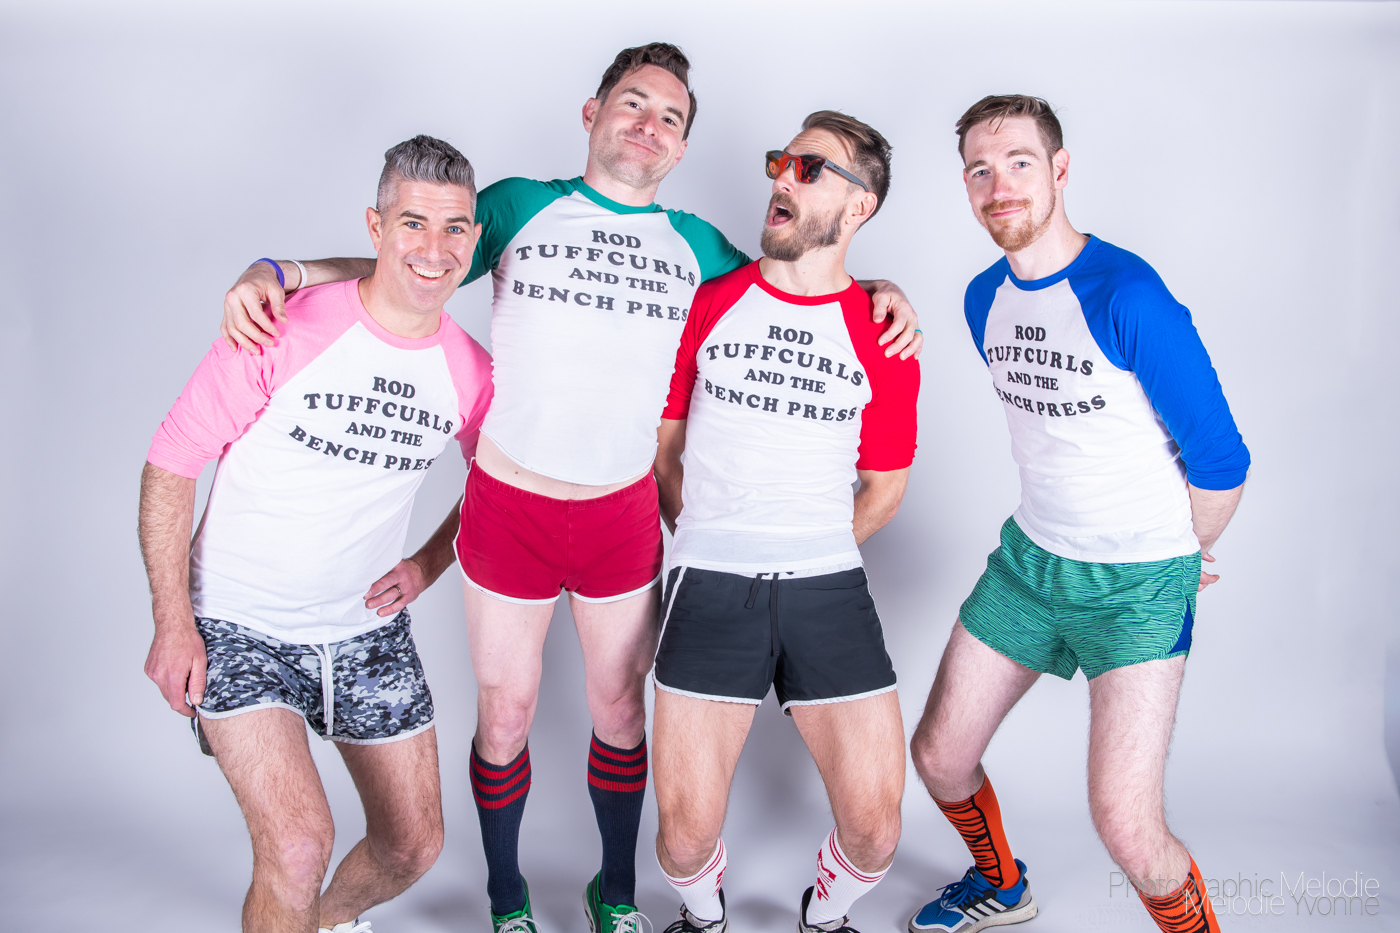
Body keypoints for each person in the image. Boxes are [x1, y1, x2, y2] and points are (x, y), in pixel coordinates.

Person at [214, 43, 924, 933]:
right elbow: (408, 267)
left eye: (670, 117)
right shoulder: (520, 205)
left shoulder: (700, 248)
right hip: (509, 507)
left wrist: (883, 290)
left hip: (621, 514)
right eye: (633, 103)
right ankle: (506, 899)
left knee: (621, 710)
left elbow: (797, 280)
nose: (649, 124)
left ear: (682, 148)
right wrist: (284, 272)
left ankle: (615, 894)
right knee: (505, 714)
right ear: (592, 114)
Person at [907, 95, 1249, 933]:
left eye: (1020, 162)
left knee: (1127, 826)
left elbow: (1221, 459)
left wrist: (1182, 552)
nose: (1000, 186)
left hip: (1136, 585)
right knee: (939, 756)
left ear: (1060, 169)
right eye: (980, 170)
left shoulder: (1128, 295)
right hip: (1030, 565)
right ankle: (1003, 886)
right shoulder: (983, 298)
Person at [139, 135, 494, 933]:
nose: (434, 248)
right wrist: (172, 620)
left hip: (364, 630)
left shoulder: (471, 372)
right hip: (239, 622)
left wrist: (427, 563)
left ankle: (319, 923)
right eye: (413, 222)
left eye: (454, 228)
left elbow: (495, 487)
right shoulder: (282, 326)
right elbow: (172, 462)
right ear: (376, 226)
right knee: (298, 847)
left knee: (413, 844)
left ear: (474, 238)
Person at [650, 111, 919, 933]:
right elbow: (666, 451)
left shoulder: (883, 332)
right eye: (781, 161)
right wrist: (708, 537)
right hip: (710, 579)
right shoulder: (712, 301)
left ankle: (823, 915)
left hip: (826, 584)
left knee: (877, 829)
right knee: (682, 839)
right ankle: (704, 918)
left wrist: (809, 543)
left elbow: (885, 488)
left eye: (809, 168)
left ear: (859, 205)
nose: (781, 177)